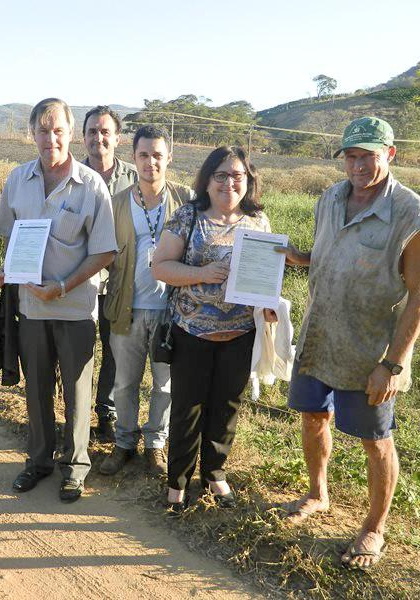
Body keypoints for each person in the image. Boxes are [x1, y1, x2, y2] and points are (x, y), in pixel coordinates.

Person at [278, 117, 420, 570]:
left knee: (376, 440)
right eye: (350, 156)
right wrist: (299, 258)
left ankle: (374, 527)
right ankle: (318, 493)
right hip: (319, 336)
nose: (356, 166)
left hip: (371, 351)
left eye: (367, 156)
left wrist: (392, 364)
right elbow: (330, 254)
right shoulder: (331, 198)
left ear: (390, 154)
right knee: (313, 417)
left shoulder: (413, 215)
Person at [0, 98, 117, 502]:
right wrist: (11, 273)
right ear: (32, 133)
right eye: (43, 131)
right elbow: (9, 237)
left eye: (58, 131)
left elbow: (104, 252)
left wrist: (62, 286)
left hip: (76, 307)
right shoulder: (17, 179)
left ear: (70, 133)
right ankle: (39, 461)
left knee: (78, 393)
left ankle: (76, 467)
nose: (51, 139)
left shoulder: (91, 185)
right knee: (37, 388)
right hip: (31, 308)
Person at [152, 146, 274, 512]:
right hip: (192, 334)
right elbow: (161, 267)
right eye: (221, 175)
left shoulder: (258, 221)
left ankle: (214, 474)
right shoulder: (188, 216)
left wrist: (268, 304)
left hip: (240, 335)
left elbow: (264, 277)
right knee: (187, 409)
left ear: (248, 180)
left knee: (226, 407)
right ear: (207, 180)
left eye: (237, 175)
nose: (229, 183)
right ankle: (177, 482)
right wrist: (202, 274)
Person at [100, 125, 191, 477]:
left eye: (157, 155)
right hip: (127, 308)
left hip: (172, 312)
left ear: (169, 158)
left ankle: (155, 444)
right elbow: (102, 253)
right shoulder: (117, 203)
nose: (150, 162)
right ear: (133, 158)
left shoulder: (185, 199)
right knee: (124, 383)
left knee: (165, 385)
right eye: (143, 155)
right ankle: (124, 442)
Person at [82, 107, 138, 441]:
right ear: (83, 137)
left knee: (116, 351)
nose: (98, 138)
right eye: (92, 131)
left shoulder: (135, 178)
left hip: (121, 281)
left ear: (117, 138)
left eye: (105, 132)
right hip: (80, 280)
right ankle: (77, 417)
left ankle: (107, 414)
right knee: (80, 353)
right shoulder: (71, 176)